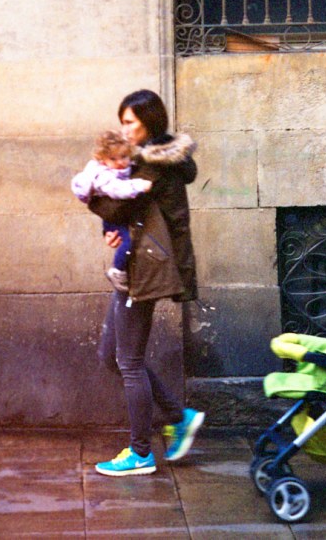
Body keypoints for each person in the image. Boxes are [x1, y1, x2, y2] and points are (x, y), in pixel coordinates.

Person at [86, 89, 205, 476]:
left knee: (129, 362)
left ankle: (140, 453)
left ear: (149, 123)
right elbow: (124, 212)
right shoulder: (144, 159)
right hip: (135, 262)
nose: (125, 129)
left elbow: (118, 203)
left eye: (130, 122)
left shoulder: (154, 162)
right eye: (122, 121)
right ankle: (177, 415)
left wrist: (88, 191)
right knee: (111, 355)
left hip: (146, 268)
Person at [72, 130, 153, 292]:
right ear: (102, 159)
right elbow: (118, 189)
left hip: (117, 216)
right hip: (113, 219)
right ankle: (117, 270)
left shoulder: (123, 167)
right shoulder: (103, 175)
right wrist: (139, 185)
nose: (120, 162)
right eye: (113, 159)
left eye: (124, 156)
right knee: (128, 242)